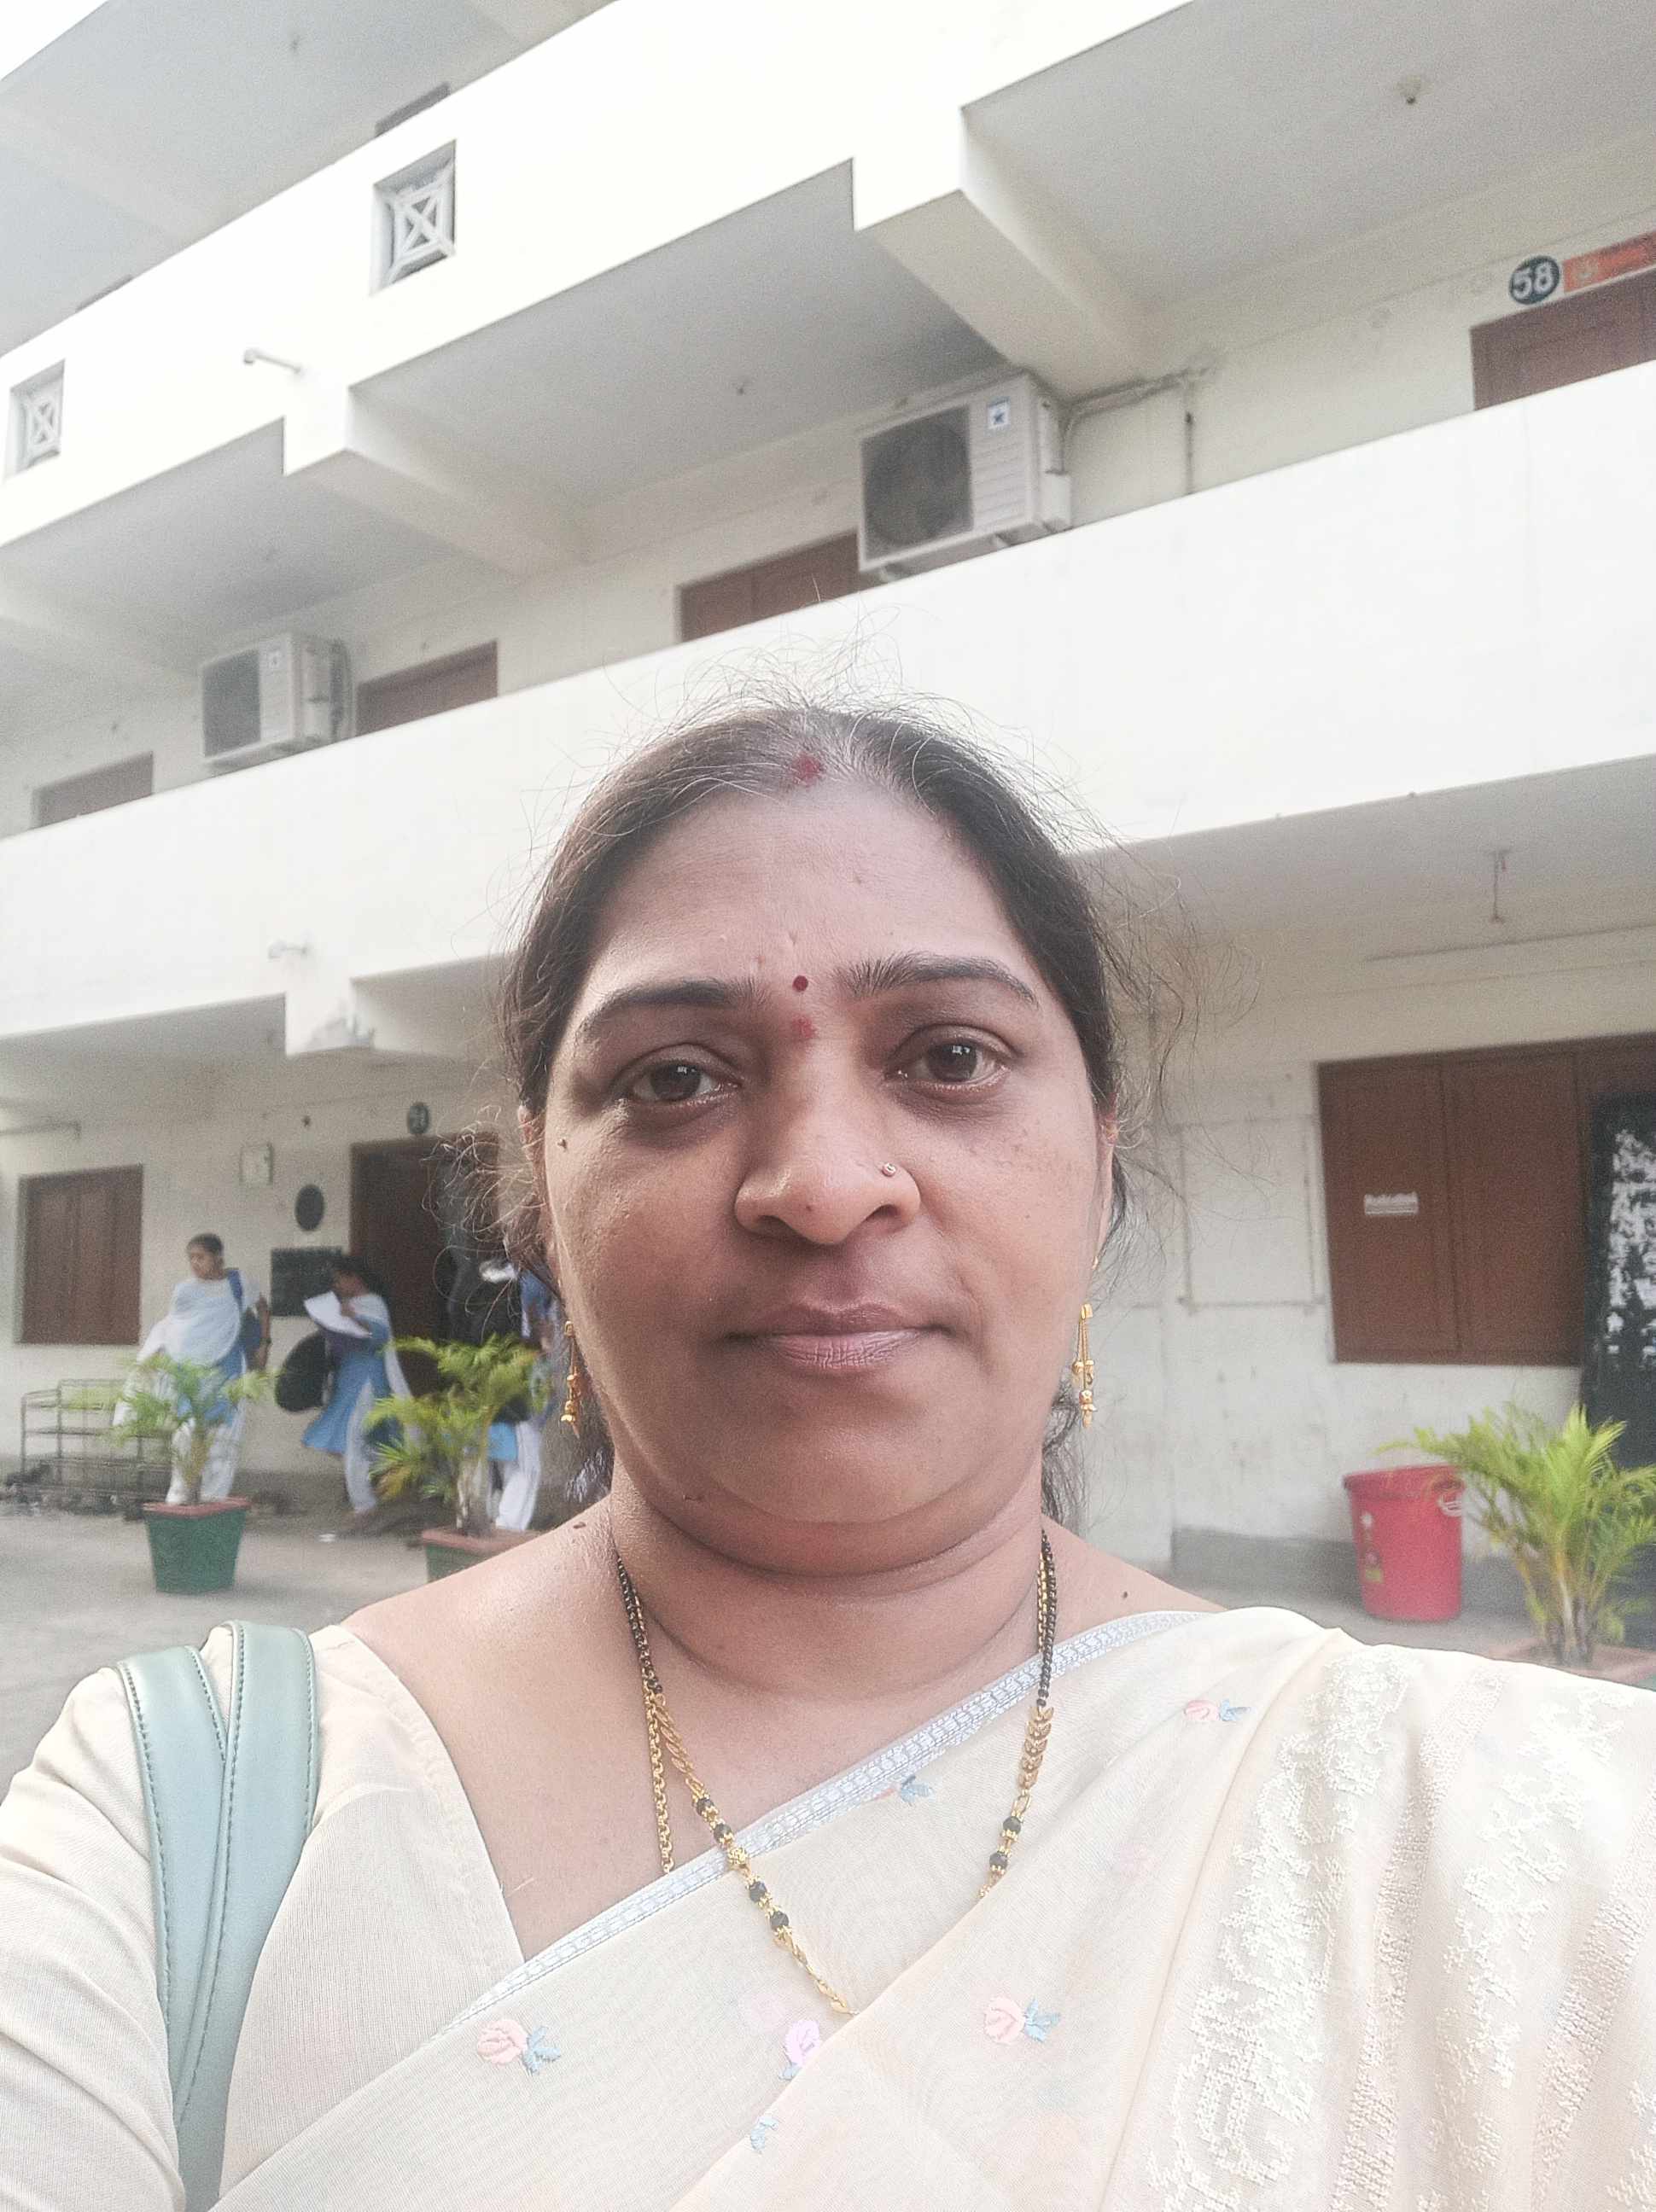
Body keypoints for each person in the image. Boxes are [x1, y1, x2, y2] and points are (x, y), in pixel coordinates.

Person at [3, 700, 1656, 2210]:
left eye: (951, 1057)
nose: (823, 1182)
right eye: (674, 1078)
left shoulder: (1488, 1835)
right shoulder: (192, 1827)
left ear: (1100, 1163)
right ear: (540, 1196)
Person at [133, 1232, 269, 1503]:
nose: (195, 1263)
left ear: (218, 1257)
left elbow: (263, 1308)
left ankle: (213, 1499)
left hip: (228, 1367)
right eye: (191, 1258)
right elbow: (175, 1326)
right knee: (185, 1434)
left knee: (224, 1436)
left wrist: (264, 1345)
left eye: (201, 1257)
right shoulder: (184, 1291)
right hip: (191, 1372)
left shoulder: (238, 1283)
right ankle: (178, 1497)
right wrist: (159, 1352)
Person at [300, 1255, 409, 1527]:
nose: (336, 1285)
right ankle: (390, 1468)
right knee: (337, 1439)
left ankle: (364, 1504)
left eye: (339, 1279)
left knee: (352, 1440)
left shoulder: (373, 1303)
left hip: (367, 1380)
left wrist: (355, 1319)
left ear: (355, 1278)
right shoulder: (348, 1305)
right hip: (349, 1380)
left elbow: (378, 1336)